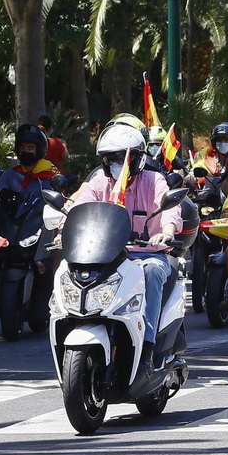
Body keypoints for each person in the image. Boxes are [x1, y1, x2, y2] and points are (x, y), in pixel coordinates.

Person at [67, 123, 179, 363]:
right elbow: (78, 207)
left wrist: (167, 231)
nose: (118, 163)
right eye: (112, 159)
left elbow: (170, 208)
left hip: (146, 254)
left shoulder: (154, 180)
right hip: (107, 256)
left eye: (124, 157)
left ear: (139, 157)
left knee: (152, 270)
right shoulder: (98, 181)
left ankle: (148, 344)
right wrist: (62, 230)